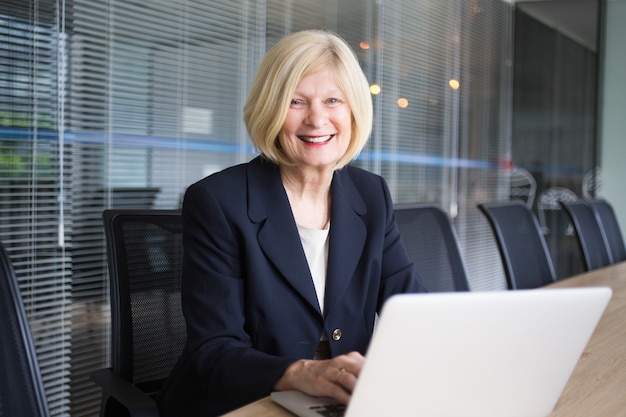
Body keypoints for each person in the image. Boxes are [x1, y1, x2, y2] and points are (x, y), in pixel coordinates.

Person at [157, 29, 426, 417]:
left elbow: (412, 309)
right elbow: (213, 350)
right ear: (271, 109)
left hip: (341, 400)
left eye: (333, 99)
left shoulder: (371, 195)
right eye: (296, 102)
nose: (317, 119)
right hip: (246, 402)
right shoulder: (219, 201)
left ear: (353, 110)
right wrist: (303, 372)